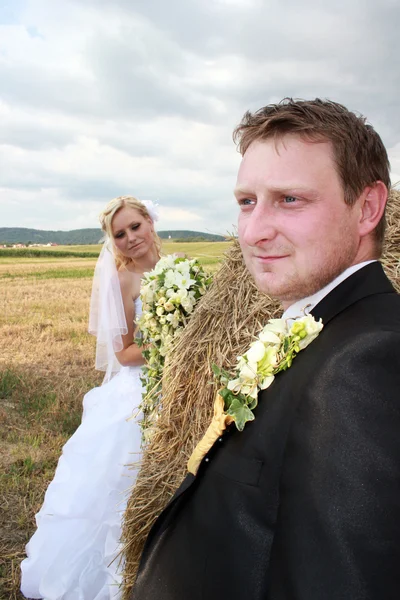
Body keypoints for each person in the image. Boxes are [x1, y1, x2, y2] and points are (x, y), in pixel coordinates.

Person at [129, 99, 400, 600]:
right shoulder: (326, 326)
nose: (252, 232)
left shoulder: (366, 361)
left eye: (290, 199)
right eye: (247, 201)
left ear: (366, 208)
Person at [21, 196, 161, 600]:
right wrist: (173, 343)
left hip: (183, 380)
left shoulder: (181, 265)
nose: (131, 238)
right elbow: (124, 353)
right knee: (123, 483)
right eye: (120, 234)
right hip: (142, 388)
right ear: (112, 243)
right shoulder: (124, 281)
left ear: (150, 222)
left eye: (135, 226)